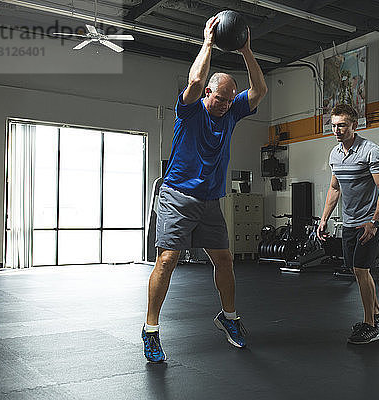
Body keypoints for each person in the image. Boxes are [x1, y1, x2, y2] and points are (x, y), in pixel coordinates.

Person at [142, 15, 267, 362]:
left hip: (211, 201)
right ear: (208, 93)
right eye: (220, 98)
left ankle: (229, 319)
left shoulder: (231, 112)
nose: (226, 104)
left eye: (230, 100)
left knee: (225, 260)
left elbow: (259, 91)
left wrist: (245, 49)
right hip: (177, 195)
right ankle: (151, 329)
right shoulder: (190, 109)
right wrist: (209, 41)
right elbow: (196, 78)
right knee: (167, 260)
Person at [317, 104, 379, 345]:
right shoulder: (335, 154)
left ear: (354, 126)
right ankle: (378, 314)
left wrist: (374, 221)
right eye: (334, 125)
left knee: (361, 270)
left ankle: (370, 324)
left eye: (342, 126)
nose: (336, 130)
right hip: (348, 223)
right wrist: (324, 219)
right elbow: (334, 188)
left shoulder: (371, 151)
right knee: (358, 271)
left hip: (368, 223)